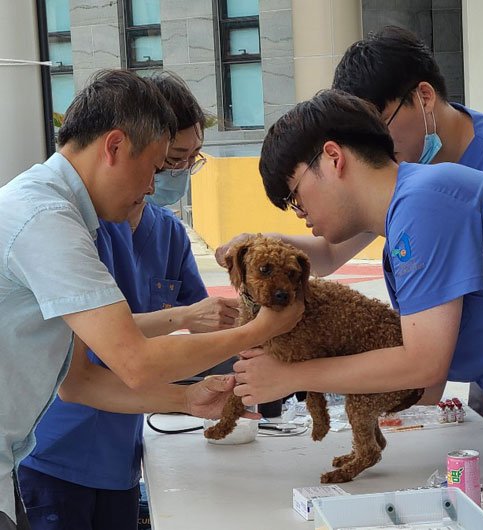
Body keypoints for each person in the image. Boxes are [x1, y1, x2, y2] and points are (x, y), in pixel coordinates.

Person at [0, 69, 303, 529]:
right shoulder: (46, 219)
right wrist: (261, 328)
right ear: (116, 147)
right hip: (52, 458)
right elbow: (134, 360)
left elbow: (79, 380)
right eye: (158, 166)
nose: (151, 187)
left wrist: (186, 400)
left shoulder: (69, 215)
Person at [216, 26, 483, 422]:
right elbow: (426, 379)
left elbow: (424, 364)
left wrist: (288, 376)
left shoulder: (427, 201)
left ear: (333, 157)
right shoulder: (409, 200)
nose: (301, 213)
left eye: (296, 196)